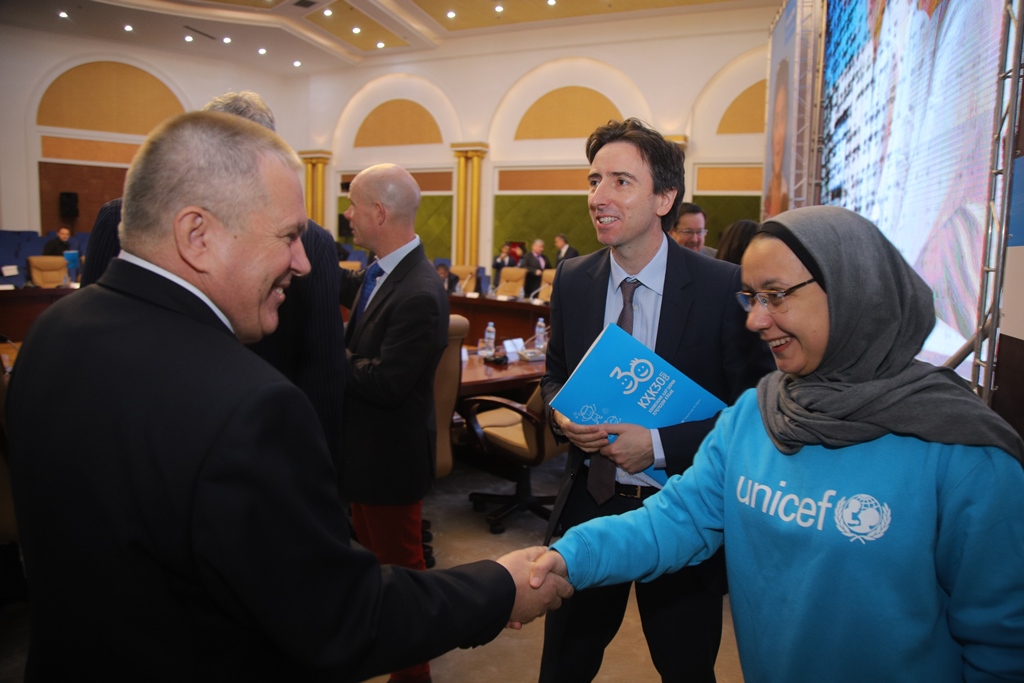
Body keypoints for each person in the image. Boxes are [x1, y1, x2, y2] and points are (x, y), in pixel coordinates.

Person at [5, 111, 572, 681]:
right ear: (197, 235)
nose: (302, 264)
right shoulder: (248, 405)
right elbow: (339, 617)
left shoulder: (52, 335)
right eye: (287, 237)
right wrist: (498, 587)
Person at [532, 205, 1024, 682]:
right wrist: (569, 558)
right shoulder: (756, 415)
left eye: (776, 295)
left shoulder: (964, 454)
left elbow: (1002, 645)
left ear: (852, 289)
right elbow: (676, 520)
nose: (755, 320)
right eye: (752, 298)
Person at [538, 118, 774, 682]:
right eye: (594, 180)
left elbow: (755, 412)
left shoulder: (723, 287)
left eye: (620, 181)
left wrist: (661, 445)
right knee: (564, 666)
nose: (599, 197)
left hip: (683, 512)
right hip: (590, 505)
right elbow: (553, 378)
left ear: (665, 198)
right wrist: (562, 414)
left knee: (685, 667)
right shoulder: (572, 278)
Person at [79, 91, 347, 469]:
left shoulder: (314, 243)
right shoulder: (118, 220)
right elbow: (94, 336)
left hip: (266, 451)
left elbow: (324, 368)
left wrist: (316, 469)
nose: (299, 263)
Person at [338, 163, 452, 683]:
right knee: (375, 568)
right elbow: (354, 291)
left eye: (353, 206)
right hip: (364, 455)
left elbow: (387, 383)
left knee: (401, 577)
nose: (348, 215)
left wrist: (329, 355)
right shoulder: (382, 270)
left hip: (389, 462)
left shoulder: (419, 292)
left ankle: (413, 675)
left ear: (379, 213)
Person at [764, 59, 790, 219]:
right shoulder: (769, 187)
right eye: (776, 120)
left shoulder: (788, 191)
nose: (779, 134)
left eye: (783, 119)